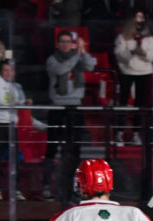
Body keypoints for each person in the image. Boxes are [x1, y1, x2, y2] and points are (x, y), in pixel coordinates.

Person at [43, 30, 97, 201]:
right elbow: (61, 70)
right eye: (63, 42)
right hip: (57, 108)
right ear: (58, 44)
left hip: (75, 107)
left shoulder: (78, 57)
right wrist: (77, 55)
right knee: (52, 147)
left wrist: (83, 51)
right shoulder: (52, 60)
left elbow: (91, 65)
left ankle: (74, 185)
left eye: (69, 42)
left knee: (75, 149)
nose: (66, 45)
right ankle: (47, 185)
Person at [0, 43, 30, 202]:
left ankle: (16, 189)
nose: (8, 73)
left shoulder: (16, 86)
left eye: (10, 70)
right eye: (5, 70)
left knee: (14, 159)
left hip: (13, 125)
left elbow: (22, 102)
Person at [113, 11, 153, 147]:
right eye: (137, 17)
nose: (140, 20)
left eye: (142, 17)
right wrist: (132, 52)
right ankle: (119, 133)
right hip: (127, 72)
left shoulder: (149, 38)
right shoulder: (123, 37)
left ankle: (136, 134)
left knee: (140, 104)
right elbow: (119, 55)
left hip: (144, 72)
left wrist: (142, 52)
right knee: (123, 103)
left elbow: (152, 56)